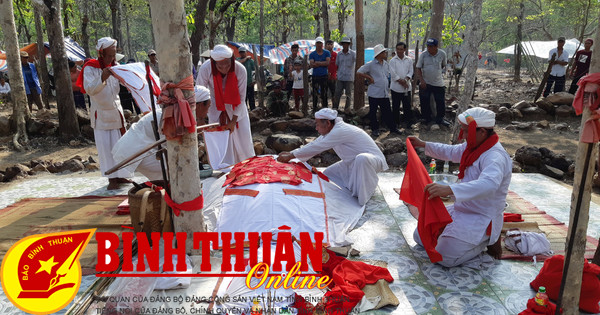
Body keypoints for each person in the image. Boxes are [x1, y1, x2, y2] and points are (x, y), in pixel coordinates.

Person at [408, 107, 512, 268]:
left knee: (443, 258)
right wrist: (423, 144)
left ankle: (486, 241)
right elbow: (451, 151)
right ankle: (464, 240)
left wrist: (450, 189)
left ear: (482, 132)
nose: (462, 135)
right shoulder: (472, 146)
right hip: (461, 208)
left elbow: (489, 185)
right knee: (420, 237)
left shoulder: (495, 156)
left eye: (465, 131)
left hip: (480, 216)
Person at [277, 108, 388, 206]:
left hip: (372, 161)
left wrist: (291, 155)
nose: (316, 128)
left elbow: (317, 147)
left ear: (328, 124)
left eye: (317, 124)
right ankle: (356, 187)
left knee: (362, 158)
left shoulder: (339, 130)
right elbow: (313, 144)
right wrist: (291, 154)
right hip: (353, 162)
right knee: (326, 175)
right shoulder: (331, 131)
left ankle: (364, 196)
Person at [112, 85, 212, 180]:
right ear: (198, 105)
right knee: (177, 172)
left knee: (177, 172)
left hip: (140, 147)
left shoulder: (180, 112)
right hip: (136, 150)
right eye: (208, 107)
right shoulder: (174, 115)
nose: (208, 112)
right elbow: (176, 146)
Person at [78, 37, 132, 190]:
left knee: (120, 145)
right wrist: (102, 77)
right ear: (101, 54)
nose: (112, 58)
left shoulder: (116, 67)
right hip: (100, 114)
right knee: (105, 147)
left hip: (116, 111)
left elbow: (124, 84)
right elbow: (89, 89)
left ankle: (121, 174)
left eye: (114, 55)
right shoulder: (90, 67)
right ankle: (111, 178)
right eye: (109, 55)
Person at [196, 44, 255, 164]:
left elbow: (242, 96)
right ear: (213, 62)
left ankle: (246, 166)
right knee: (219, 142)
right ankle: (223, 168)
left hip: (236, 107)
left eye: (227, 65)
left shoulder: (240, 69)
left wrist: (233, 121)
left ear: (232, 60)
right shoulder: (205, 68)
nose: (224, 69)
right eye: (220, 66)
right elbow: (199, 93)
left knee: (243, 141)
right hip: (214, 106)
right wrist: (200, 118)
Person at [356, 44, 400, 137]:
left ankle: (393, 128)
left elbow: (390, 74)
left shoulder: (385, 64)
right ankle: (375, 129)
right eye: (383, 52)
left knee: (387, 111)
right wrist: (369, 77)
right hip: (374, 93)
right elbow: (359, 72)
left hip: (384, 93)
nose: (385, 54)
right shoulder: (371, 64)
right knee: (373, 112)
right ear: (379, 54)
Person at [416, 38, 448, 126]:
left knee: (440, 102)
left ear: (436, 47)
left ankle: (440, 119)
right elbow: (418, 67)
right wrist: (422, 80)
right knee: (424, 101)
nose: (429, 48)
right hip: (425, 82)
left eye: (431, 46)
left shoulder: (442, 54)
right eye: (428, 46)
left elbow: (443, 65)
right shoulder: (423, 55)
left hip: (438, 82)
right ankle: (427, 119)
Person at [389, 41, 414, 128]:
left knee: (407, 106)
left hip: (407, 88)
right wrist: (402, 82)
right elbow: (393, 74)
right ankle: (396, 123)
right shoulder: (392, 61)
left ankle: (408, 123)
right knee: (395, 106)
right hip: (396, 88)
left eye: (401, 49)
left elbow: (411, 71)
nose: (399, 51)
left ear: (405, 49)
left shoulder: (409, 60)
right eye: (398, 49)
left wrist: (406, 80)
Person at [334, 37, 356, 111]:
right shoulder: (339, 54)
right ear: (342, 45)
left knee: (348, 94)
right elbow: (337, 64)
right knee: (337, 93)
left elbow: (357, 62)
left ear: (349, 45)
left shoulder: (353, 54)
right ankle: (335, 108)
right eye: (344, 44)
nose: (345, 45)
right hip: (340, 77)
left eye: (347, 44)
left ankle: (347, 109)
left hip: (349, 77)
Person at [309, 37, 331, 111]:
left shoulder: (327, 53)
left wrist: (317, 63)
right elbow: (312, 65)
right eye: (318, 43)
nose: (319, 45)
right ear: (315, 44)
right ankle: (314, 108)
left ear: (322, 44)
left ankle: (325, 107)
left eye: (320, 43)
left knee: (324, 92)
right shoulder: (312, 54)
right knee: (314, 92)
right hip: (315, 75)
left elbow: (328, 63)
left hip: (324, 75)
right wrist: (322, 63)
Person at [237, 46, 256, 111]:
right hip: (241, 83)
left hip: (249, 82)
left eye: (243, 52)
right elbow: (238, 63)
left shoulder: (251, 61)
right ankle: (244, 111)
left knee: (251, 98)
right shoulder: (237, 60)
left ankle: (253, 111)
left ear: (246, 52)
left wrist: (254, 81)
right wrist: (246, 58)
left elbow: (254, 71)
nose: (242, 54)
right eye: (241, 52)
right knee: (243, 98)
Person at [326, 39, 338, 105]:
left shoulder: (335, 55)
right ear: (325, 45)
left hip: (333, 77)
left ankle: (334, 106)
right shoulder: (323, 54)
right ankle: (324, 106)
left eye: (331, 44)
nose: (330, 46)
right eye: (328, 44)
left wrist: (336, 74)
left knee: (334, 93)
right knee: (324, 93)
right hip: (324, 76)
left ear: (333, 45)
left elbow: (338, 65)